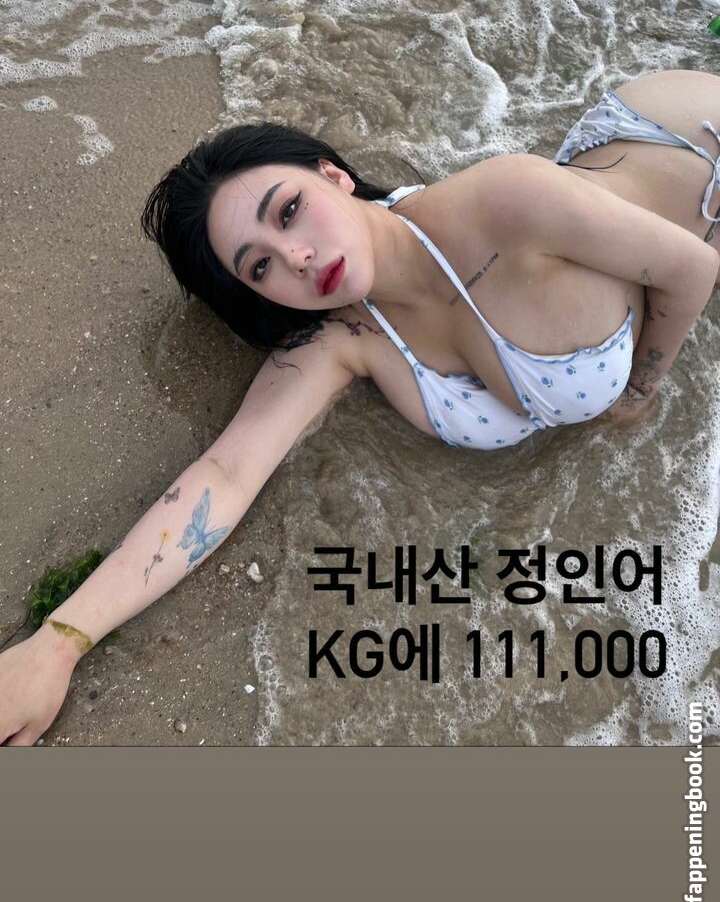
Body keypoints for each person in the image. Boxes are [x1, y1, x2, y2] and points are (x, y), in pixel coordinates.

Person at [2, 66, 719, 745]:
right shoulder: (345, 336)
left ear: (333, 175)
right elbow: (224, 475)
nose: (297, 258)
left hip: (686, 142)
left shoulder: (508, 201)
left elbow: (692, 267)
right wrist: (57, 645)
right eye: (260, 265)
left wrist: (639, 391)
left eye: (289, 211)